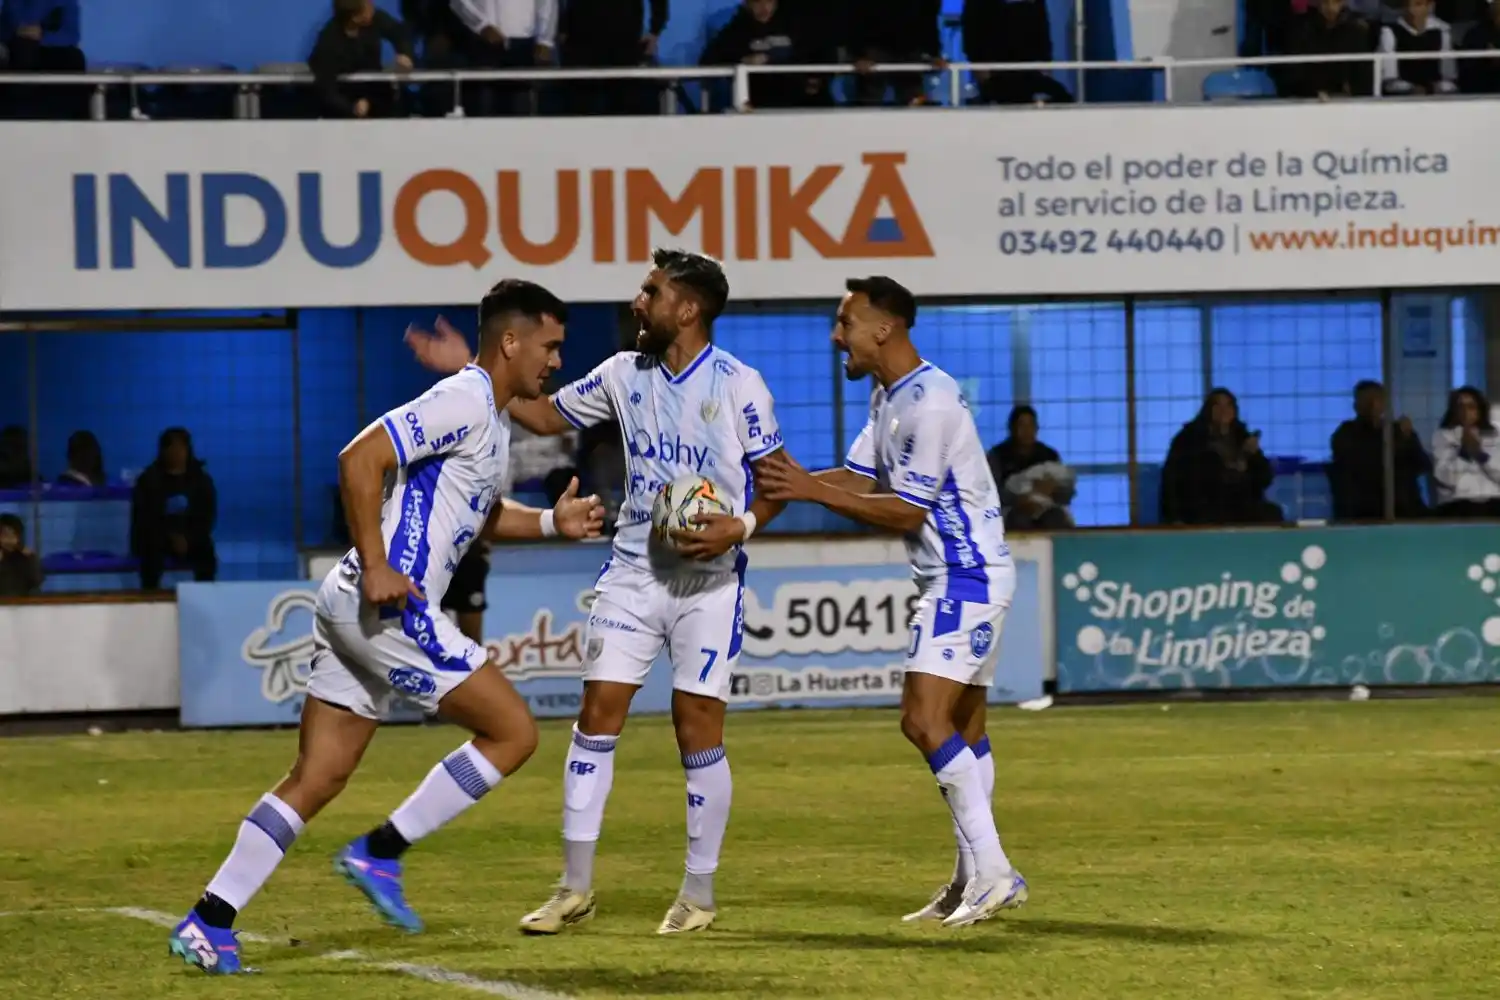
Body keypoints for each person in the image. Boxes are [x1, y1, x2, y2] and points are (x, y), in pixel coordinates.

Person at [167, 279, 605, 976]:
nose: (556, 361)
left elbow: (478, 516)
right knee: (513, 732)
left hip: (357, 609)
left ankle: (209, 920)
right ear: (512, 341)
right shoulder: (464, 399)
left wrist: (554, 522)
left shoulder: (491, 417)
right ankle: (381, 851)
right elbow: (359, 457)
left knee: (318, 776)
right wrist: (377, 564)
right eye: (550, 347)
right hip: (387, 607)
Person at [406, 247, 788, 936]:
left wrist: (742, 524)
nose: (638, 302)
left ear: (689, 309)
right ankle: (574, 888)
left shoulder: (739, 386)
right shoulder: (622, 374)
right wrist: (476, 369)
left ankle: (698, 895)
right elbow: (547, 416)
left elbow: (779, 480)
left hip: (710, 582)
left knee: (696, 727)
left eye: (651, 292)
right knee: (596, 714)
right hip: (635, 570)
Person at [755, 276, 1027, 929]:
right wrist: (780, 487)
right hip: (963, 574)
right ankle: (971, 880)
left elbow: (906, 511)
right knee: (962, 729)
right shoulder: (891, 396)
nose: (834, 336)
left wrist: (805, 492)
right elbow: (858, 479)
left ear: (884, 328)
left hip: (965, 576)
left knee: (921, 718)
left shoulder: (929, 402)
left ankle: (994, 871)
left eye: (844, 322)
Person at [130, 428, 218, 590]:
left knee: (206, 551)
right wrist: (171, 537)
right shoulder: (149, 480)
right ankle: (150, 597)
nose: (177, 453)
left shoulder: (201, 480)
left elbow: (207, 517)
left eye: (181, 448)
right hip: (158, 537)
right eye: (172, 448)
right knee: (150, 550)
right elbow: (145, 518)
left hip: (191, 537)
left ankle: (206, 596)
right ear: (163, 451)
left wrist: (189, 539)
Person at [1430, 385, 1500, 517]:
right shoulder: (1442, 435)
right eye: (1460, 407)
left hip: (1494, 503)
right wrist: (1464, 453)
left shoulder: (1495, 434)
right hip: (1457, 505)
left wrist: (1480, 455)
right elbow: (1445, 478)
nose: (1466, 412)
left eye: (1471, 407)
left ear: (1480, 409)